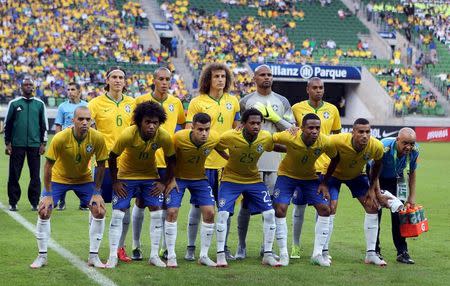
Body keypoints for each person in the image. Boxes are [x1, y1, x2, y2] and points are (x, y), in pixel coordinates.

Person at [30, 106, 108, 269]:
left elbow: (101, 165)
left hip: (84, 179)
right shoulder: (60, 138)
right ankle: (42, 256)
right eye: (80, 119)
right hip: (59, 178)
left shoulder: (98, 138)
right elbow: (48, 166)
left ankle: (94, 256)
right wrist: (48, 194)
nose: (85, 122)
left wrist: (97, 192)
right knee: (44, 210)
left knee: (99, 210)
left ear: (92, 121)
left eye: (88, 119)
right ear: (73, 121)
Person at [106, 101, 176, 268]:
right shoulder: (128, 134)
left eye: (155, 122)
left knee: (157, 212)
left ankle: (153, 255)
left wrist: (164, 182)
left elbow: (172, 159)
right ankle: (112, 256)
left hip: (150, 176)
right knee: (118, 214)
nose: (151, 126)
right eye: (147, 122)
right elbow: (112, 156)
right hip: (126, 177)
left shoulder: (164, 136)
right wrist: (115, 181)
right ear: (139, 121)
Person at [236, 64, 294, 259]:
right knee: (245, 204)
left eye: (269, 74)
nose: (266, 78)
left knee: (270, 206)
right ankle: (241, 247)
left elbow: (292, 131)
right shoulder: (245, 101)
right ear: (255, 78)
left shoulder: (282, 101)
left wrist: (275, 118)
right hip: (250, 161)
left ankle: (265, 247)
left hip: (273, 161)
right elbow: (238, 129)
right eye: (262, 75)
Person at [215, 108, 285, 267]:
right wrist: (226, 157)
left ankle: (267, 254)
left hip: (253, 180)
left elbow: (273, 146)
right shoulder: (230, 136)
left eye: (258, 123)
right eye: (252, 123)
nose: (256, 126)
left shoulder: (265, 137)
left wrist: (292, 150)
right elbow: (217, 145)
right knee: (223, 214)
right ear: (243, 124)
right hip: (230, 180)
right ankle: (220, 254)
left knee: (269, 213)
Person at [185, 63, 240, 261]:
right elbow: (189, 131)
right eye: (216, 76)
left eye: (223, 77)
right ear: (208, 79)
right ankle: (191, 248)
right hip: (204, 163)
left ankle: (222, 247)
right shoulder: (197, 102)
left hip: (226, 164)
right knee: (196, 206)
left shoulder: (233, 101)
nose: (220, 80)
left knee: (226, 209)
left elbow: (237, 130)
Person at [131, 67, 186, 261]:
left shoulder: (176, 102)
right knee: (140, 201)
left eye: (168, 79)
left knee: (165, 204)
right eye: (161, 79)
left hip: (168, 162)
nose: (164, 82)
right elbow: (132, 130)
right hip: (145, 162)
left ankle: (164, 247)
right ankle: (136, 245)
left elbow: (181, 127)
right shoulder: (140, 101)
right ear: (153, 80)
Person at [272, 113, 337, 267]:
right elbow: (269, 139)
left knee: (325, 209)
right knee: (280, 210)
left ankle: (317, 254)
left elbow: (336, 158)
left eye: (317, 128)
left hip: (309, 178)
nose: (315, 131)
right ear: (301, 128)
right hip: (286, 175)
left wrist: (325, 182)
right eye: (311, 128)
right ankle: (284, 255)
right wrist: (285, 149)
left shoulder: (324, 141)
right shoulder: (290, 136)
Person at [290, 77, 341, 259]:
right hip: (304, 168)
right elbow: (292, 134)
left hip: (328, 169)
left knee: (329, 208)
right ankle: (295, 246)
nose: (318, 90)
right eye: (315, 87)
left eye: (321, 88)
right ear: (308, 89)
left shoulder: (332, 110)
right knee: (299, 208)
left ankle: (323, 249)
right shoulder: (296, 108)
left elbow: (336, 139)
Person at [88, 67, 135, 262]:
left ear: (125, 82)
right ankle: (94, 249)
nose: (118, 80)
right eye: (114, 77)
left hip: (126, 165)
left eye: (121, 78)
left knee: (124, 208)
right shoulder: (95, 103)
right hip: (102, 164)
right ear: (107, 81)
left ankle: (120, 248)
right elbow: (88, 132)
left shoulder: (133, 104)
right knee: (96, 206)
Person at [165, 112, 225, 267]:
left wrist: (232, 161)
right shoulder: (179, 138)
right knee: (171, 212)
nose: (204, 133)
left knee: (210, 213)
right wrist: (170, 179)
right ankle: (171, 255)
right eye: (200, 130)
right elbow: (169, 157)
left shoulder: (214, 137)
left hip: (200, 179)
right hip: (178, 179)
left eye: (207, 129)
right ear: (192, 127)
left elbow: (220, 148)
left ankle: (203, 256)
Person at [324, 118, 386, 266]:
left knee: (373, 207)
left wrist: (372, 189)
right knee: (330, 208)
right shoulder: (337, 140)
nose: (365, 135)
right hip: (333, 175)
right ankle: (323, 251)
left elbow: (377, 165)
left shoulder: (376, 146)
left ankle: (371, 254)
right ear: (353, 132)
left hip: (356, 176)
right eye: (361, 132)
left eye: (367, 132)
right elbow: (319, 141)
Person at [375, 128, 418, 264]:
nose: (409, 147)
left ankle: (402, 252)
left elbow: (411, 173)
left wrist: (411, 196)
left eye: (412, 143)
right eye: (405, 143)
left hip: (396, 180)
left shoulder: (415, 151)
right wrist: (376, 193)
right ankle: (374, 251)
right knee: (376, 214)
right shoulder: (384, 147)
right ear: (397, 140)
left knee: (399, 216)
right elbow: (373, 170)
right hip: (377, 179)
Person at [5, 77, 48, 212]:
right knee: (14, 174)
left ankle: (35, 202)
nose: (28, 87)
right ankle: (13, 202)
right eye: (26, 85)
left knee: (35, 175)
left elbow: (43, 125)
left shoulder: (40, 104)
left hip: (35, 145)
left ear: (34, 87)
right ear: (21, 88)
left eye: (30, 85)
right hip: (17, 144)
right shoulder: (14, 103)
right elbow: (8, 125)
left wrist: (43, 143)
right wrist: (7, 143)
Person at [54, 82, 88, 211]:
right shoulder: (62, 107)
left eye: (73, 89)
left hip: (82, 143)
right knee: (63, 171)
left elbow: (91, 124)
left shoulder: (86, 105)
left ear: (79, 91)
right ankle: (61, 200)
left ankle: (84, 202)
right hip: (66, 144)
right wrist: (58, 142)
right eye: (68, 89)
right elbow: (58, 124)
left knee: (83, 171)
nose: (69, 92)